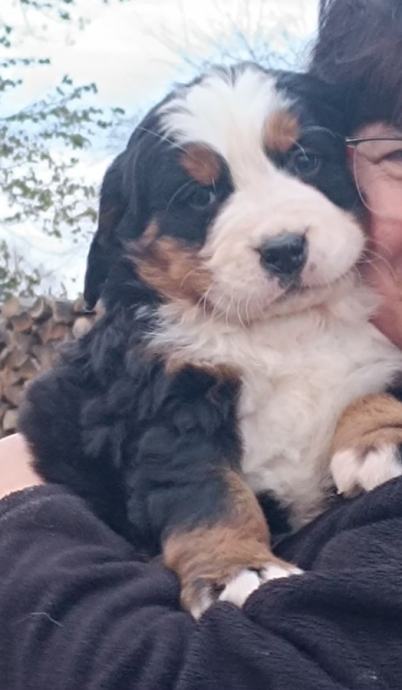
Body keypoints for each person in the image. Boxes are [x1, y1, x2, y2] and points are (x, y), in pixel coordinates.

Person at [1, 1, 402, 687]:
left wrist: (16, 506)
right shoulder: (161, 350)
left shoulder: (370, 315)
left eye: (303, 159)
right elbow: (169, 456)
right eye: (197, 198)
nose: (278, 229)